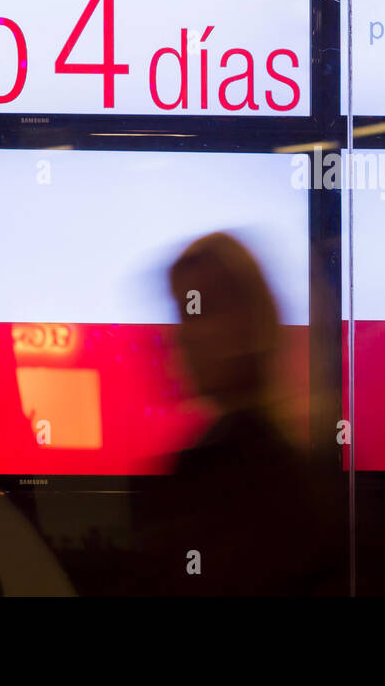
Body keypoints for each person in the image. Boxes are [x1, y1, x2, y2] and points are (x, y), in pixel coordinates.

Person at [144, 232, 342, 596]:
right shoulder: (285, 466)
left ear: (250, 321)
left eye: (200, 311)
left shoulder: (252, 480)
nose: (180, 336)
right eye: (180, 311)